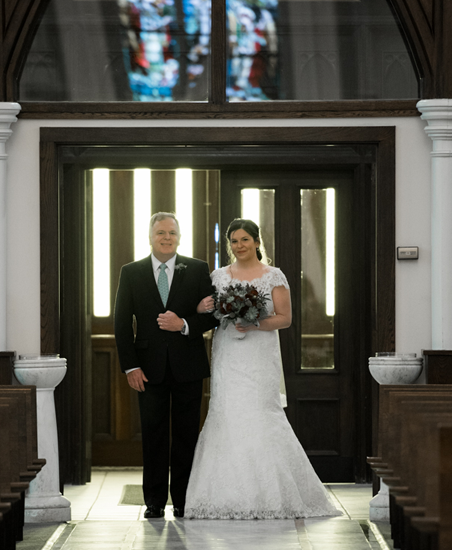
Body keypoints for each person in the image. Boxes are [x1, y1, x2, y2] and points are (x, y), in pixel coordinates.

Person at [185, 219, 340, 519]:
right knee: (227, 413)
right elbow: (208, 312)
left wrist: (254, 322)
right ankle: (222, 495)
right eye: (234, 241)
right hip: (228, 353)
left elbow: (285, 318)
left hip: (259, 356)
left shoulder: (274, 276)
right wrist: (203, 309)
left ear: (257, 242)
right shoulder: (217, 277)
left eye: (244, 239)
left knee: (260, 413)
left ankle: (271, 493)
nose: (239, 245)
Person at [113, 212, 219, 519]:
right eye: (161, 232)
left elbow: (213, 313)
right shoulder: (131, 272)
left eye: (172, 232)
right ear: (150, 236)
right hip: (148, 369)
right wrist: (130, 367)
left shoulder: (198, 268)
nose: (167, 237)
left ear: (179, 237)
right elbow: (121, 322)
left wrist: (184, 323)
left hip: (188, 365)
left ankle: (184, 500)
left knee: (186, 435)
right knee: (154, 434)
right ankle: (155, 502)